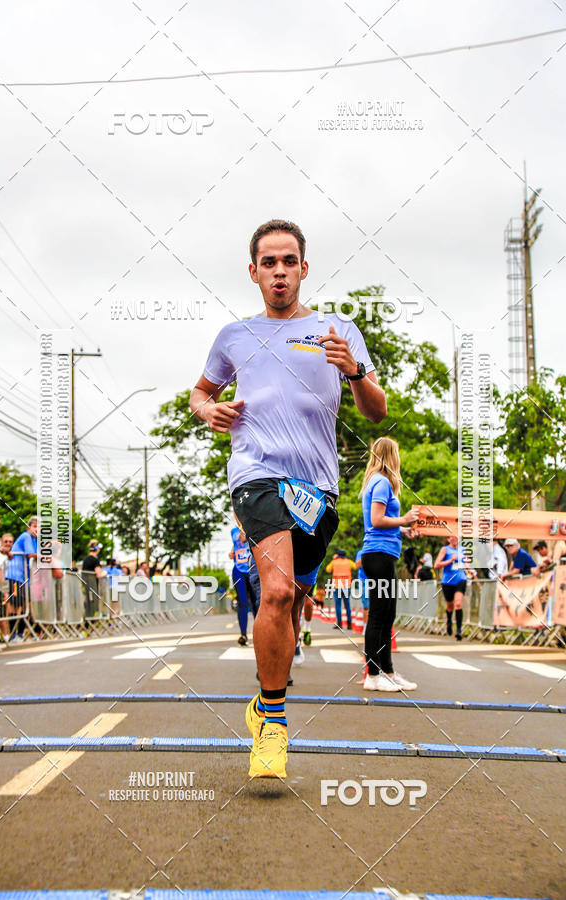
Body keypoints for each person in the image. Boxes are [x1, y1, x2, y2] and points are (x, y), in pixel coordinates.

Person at [190, 218, 386, 779]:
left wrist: (355, 371)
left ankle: (263, 701)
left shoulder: (337, 329)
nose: (279, 271)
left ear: (304, 267)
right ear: (253, 272)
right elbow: (200, 393)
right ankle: (273, 724)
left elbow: (377, 412)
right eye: (268, 263)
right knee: (273, 591)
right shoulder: (235, 336)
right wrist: (209, 411)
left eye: (289, 261)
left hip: (317, 487)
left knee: (294, 600)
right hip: (255, 475)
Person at [360, 437, 419, 692]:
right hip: (378, 555)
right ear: (389, 455)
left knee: (387, 615)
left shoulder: (379, 482)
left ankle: (388, 671)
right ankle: (373, 675)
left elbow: (385, 522)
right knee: (378, 615)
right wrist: (404, 519)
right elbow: (376, 520)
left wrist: (404, 530)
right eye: (396, 453)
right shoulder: (382, 482)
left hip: (384, 553)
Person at [6, 517, 38, 639]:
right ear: (29, 527)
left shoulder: (33, 540)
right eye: (35, 526)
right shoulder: (26, 536)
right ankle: (13, 635)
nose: (37, 529)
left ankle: (20, 632)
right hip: (15, 575)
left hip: (24, 577)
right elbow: (31, 554)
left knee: (24, 605)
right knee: (15, 605)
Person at [434, 534, 468, 640]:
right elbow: (436, 565)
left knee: (458, 603)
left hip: (460, 578)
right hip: (447, 581)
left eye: (456, 538)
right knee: (450, 606)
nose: (454, 540)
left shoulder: (463, 549)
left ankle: (458, 630)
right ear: (448, 539)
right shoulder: (445, 550)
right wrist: (450, 560)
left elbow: (466, 563)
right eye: (452, 538)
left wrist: (468, 567)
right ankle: (449, 621)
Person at [230, 525, 259, 645]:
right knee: (242, 602)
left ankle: (260, 634)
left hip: (252, 569)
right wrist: (232, 552)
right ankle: (243, 635)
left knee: (255, 602)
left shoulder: (255, 523)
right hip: (238, 570)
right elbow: (237, 544)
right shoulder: (233, 530)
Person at [325, 550, 356, 629]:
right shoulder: (349, 562)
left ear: (338, 555)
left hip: (337, 587)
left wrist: (334, 559)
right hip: (346, 586)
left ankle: (339, 624)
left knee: (338, 606)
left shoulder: (334, 562)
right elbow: (355, 566)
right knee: (347, 605)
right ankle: (349, 624)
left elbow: (328, 569)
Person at [354, 549, 369, 631]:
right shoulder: (361, 552)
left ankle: (372, 626)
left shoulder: (378, 551)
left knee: (375, 604)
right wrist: (368, 556)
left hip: (376, 580)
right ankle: (366, 627)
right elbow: (357, 565)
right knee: (366, 604)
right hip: (363, 581)